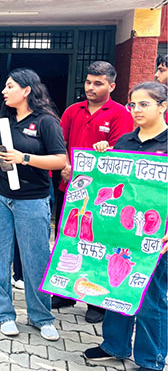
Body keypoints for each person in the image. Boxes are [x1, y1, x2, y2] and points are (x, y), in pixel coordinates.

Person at [0, 68, 66, 342]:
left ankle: (41, 317)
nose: (4, 91)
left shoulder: (46, 122)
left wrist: (25, 158)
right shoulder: (4, 118)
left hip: (32, 200)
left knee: (36, 259)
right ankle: (4, 314)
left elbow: (60, 161)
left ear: (27, 90)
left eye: (10, 86)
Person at [83, 81, 168, 371]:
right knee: (117, 290)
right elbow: (112, 186)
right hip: (122, 234)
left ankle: (151, 358)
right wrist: (102, 157)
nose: (136, 110)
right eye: (132, 104)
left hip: (157, 239)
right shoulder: (125, 142)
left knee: (150, 299)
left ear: (163, 106)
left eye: (144, 104)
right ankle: (115, 346)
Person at [49, 61, 132, 322]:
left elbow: (121, 153)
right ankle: (66, 291)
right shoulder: (73, 110)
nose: (91, 87)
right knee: (68, 239)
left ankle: (96, 302)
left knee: (97, 243)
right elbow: (59, 143)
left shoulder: (121, 115)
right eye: (88, 82)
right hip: (70, 186)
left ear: (112, 86)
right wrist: (64, 164)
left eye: (98, 83)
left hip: (102, 194)